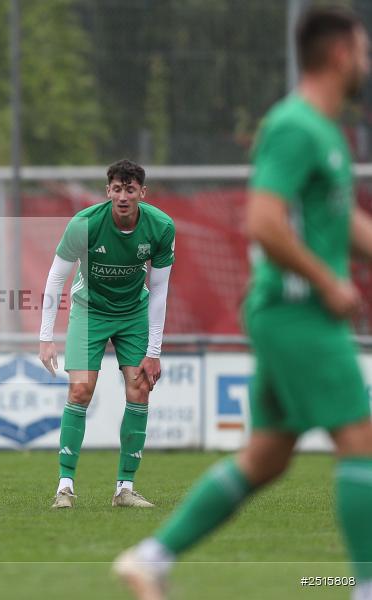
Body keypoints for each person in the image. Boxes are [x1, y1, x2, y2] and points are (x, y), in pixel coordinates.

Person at [115, 8, 372, 600]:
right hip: (299, 311)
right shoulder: (295, 127)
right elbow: (262, 221)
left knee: (267, 456)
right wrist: (329, 283)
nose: (366, 63)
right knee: (360, 442)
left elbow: (341, 222)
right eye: (362, 51)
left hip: (292, 314)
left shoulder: (324, 132)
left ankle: (150, 559)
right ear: (339, 55)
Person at [38, 159, 175, 509]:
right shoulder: (84, 224)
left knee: (140, 388)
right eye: (117, 189)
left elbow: (159, 291)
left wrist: (154, 351)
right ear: (108, 191)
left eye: (130, 189)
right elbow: (56, 279)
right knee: (81, 389)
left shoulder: (160, 227)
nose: (123, 196)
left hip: (133, 313)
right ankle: (65, 486)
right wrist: (46, 337)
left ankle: (124, 489)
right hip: (89, 310)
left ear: (142, 193)